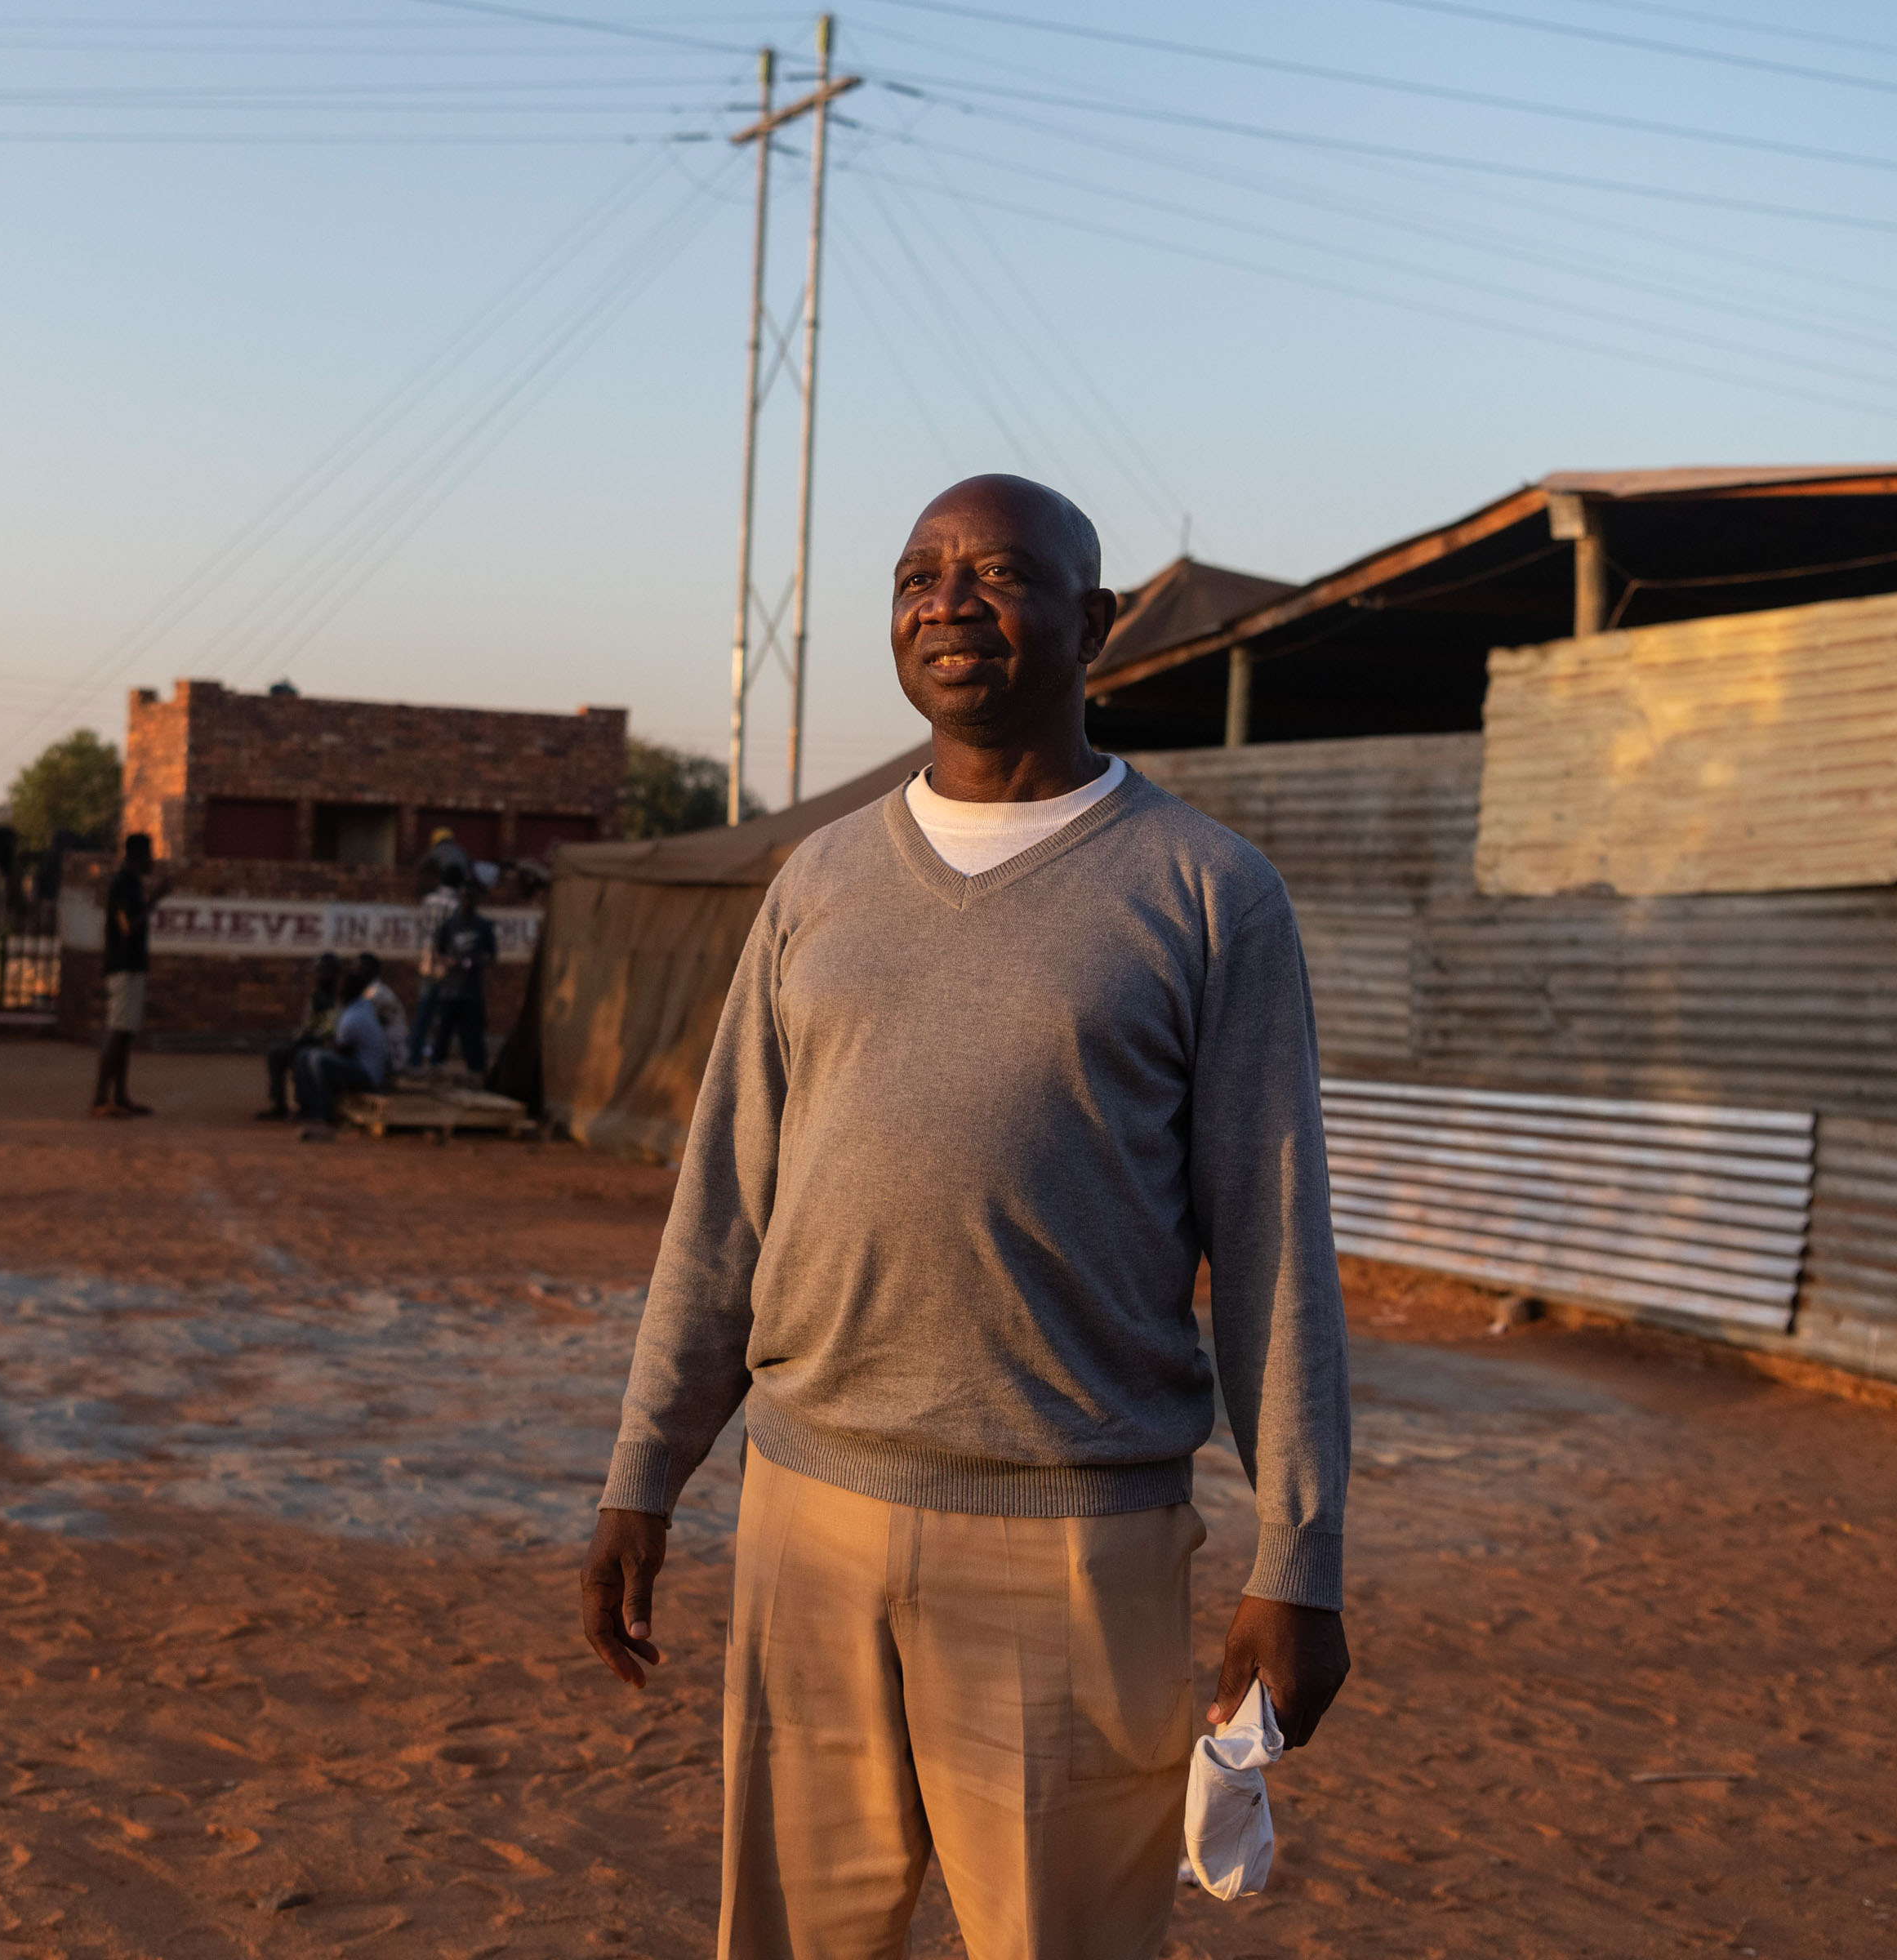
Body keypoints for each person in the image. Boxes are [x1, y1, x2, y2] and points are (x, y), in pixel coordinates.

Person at [579, 475, 1352, 1959]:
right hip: (809, 1520)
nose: (948, 601)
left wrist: (1297, 1565)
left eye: (998, 574)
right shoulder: (817, 880)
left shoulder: (1206, 893)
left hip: (1073, 1545)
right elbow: (725, 1202)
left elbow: (1274, 1248)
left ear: (1095, 620)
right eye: (919, 573)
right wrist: (645, 1469)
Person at [91, 832, 159, 1119]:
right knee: (118, 1031)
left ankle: (120, 1096)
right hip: (123, 966)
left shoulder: (131, 884)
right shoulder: (123, 885)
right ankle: (100, 1100)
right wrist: (155, 902)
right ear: (139, 856)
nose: (152, 860)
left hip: (132, 966)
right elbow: (127, 927)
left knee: (126, 1033)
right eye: (149, 854)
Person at [293, 966, 393, 1139]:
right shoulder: (359, 1007)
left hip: (368, 1074)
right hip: (361, 1066)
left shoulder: (354, 1016)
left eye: (342, 989)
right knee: (307, 1055)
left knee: (317, 1060)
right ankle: (306, 1108)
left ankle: (323, 1114)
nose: (338, 992)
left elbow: (340, 1050)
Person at [425, 875, 499, 1075]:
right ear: (460, 898)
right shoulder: (450, 925)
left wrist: (476, 962)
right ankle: (436, 1068)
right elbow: (437, 952)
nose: (467, 901)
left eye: (471, 898)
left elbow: (492, 956)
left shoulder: (483, 926)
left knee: (472, 1034)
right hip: (449, 988)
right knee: (442, 1033)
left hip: (472, 990)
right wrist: (451, 962)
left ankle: (477, 1072)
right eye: (464, 897)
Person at [263, 952, 345, 1120]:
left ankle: (305, 1106)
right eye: (319, 971)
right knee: (277, 1053)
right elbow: (308, 1027)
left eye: (325, 971)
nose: (321, 975)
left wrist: (308, 1039)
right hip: (313, 1042)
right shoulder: (317, 997)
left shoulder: (340, 997)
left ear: (334, 973)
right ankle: (279, 1105)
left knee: (301, 1056)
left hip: (329, 1046)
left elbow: (333, 1030)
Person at [408, 866, 466, 1072]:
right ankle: (435, 1062)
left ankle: (414, 1060)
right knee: (444, 1017)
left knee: (423, 1013)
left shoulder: (428, 900)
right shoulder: (455, 904)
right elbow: (454, 937)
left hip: (425, 962)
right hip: (445, 964)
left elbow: (419, 930)